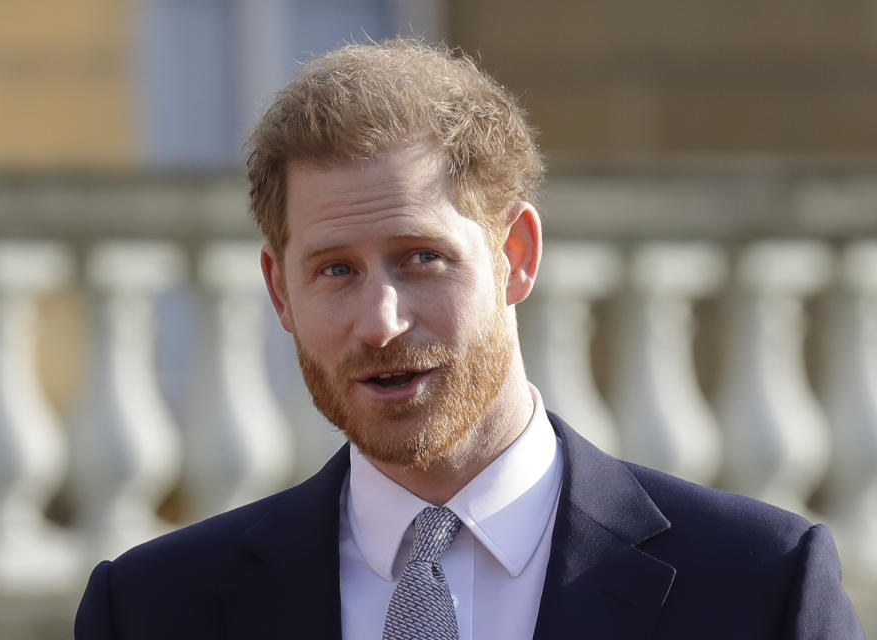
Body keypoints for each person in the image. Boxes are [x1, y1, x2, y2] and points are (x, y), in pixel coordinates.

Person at [75, 38, 864, 639]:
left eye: (423, 258)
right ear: (280, 290)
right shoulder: (151, 611)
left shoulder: (760, 588)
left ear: (516, 256)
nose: (380, 321)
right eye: (335, 271)